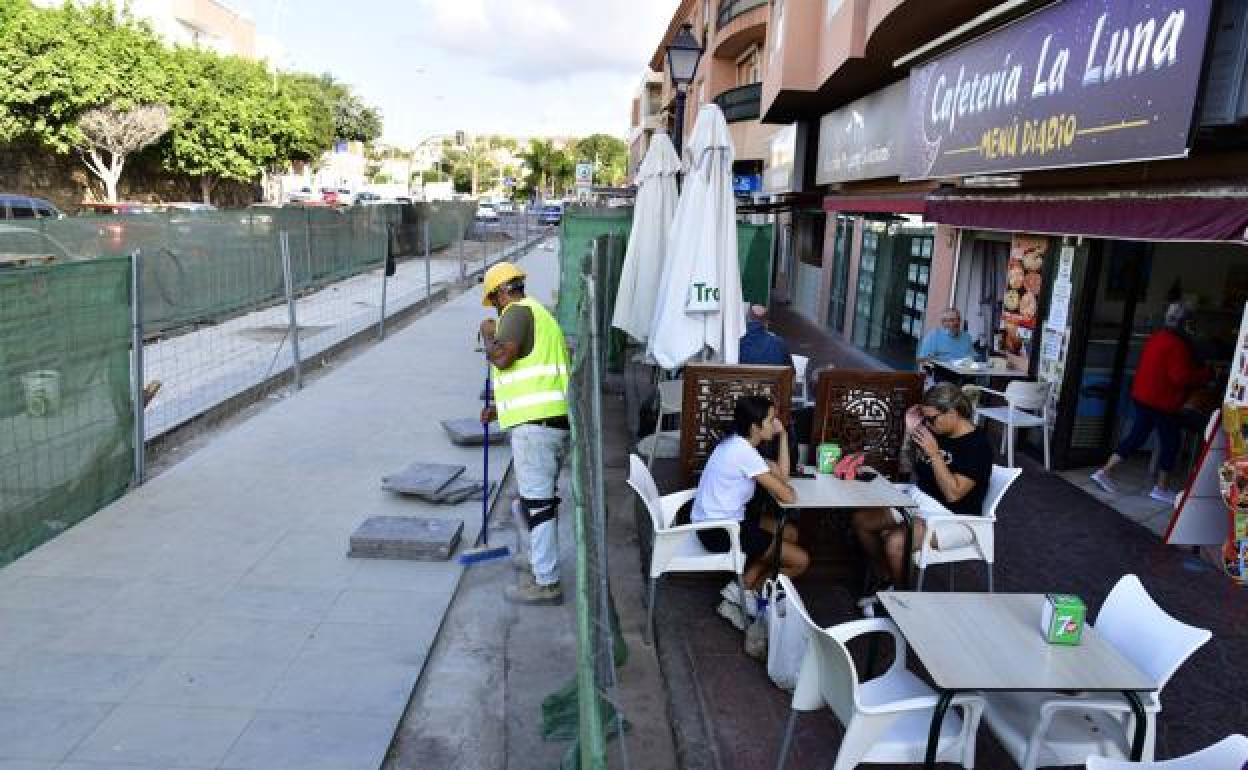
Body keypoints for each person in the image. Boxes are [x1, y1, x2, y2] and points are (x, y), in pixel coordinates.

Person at [479, 262, 571, 605]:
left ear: (502, 292)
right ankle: (538, 559)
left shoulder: (515, 313)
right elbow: (535, 380)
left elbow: (502, 358)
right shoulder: (540, 314)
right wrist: (499, 410)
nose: (495, 310)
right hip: (547, 423)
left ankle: (545, 581)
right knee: (534, 501)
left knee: (537, 504)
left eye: (494, 302)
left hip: (536, 431)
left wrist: (489, 333)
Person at [852, 383, 993, 588]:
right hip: (919, 502)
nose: (928, 423)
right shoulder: (937, 431)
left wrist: (935, 454)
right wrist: (911, 433)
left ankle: (902, 601)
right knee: (861, 521)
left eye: (931, 418)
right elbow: (905, 468)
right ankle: (886, 580)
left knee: (896, 542)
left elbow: (953, 494)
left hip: (952, 516)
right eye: (925, 418)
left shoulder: (977, 446)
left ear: (952, 412)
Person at [691, 394, 810, 629]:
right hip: (721, 532)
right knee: (801, 561)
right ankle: (750, 598)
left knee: (791, 535)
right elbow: (787, 494)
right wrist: (785, 489)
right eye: (770, 420)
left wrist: (783, 435)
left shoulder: (737, 443)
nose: (774, 423)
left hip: (718, 523)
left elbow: (782, 475)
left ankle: (742, 586)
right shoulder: (744, 453)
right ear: (755, 427)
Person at [1091, 302, 1212, 503]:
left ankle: (1104, 471)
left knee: (1137, 436)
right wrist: (1205, 374)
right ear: (1184, 323)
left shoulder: (1156, 337)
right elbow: (1180, 377)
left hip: (1143, 396)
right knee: (1171, 443)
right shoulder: (1178, 344)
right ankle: (1161, 487)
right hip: (1162, 402)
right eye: (1190, 322)